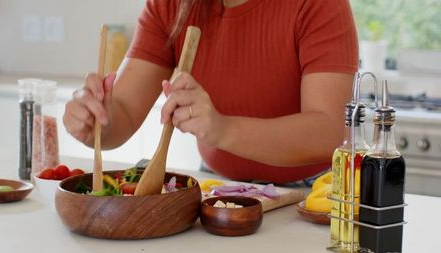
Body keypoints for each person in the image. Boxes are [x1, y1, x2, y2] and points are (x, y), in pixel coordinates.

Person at [63, 0, 359, 185]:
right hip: (218, 189)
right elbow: (122, 113)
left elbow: (330, 130)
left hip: (312, 194)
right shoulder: (170, 5)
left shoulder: (319, 4)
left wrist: (223, 129)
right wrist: (95, 120)